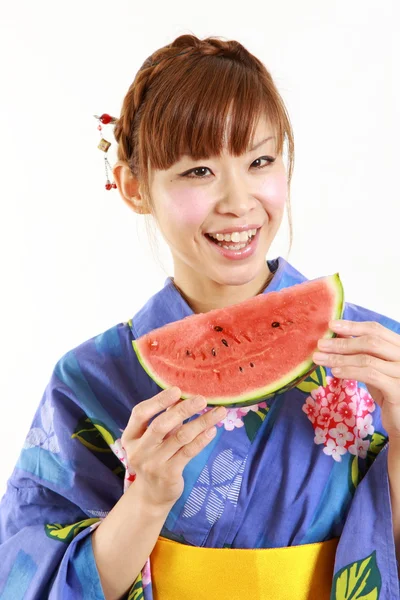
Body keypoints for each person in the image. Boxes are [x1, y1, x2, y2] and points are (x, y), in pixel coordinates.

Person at [0, 33, 399, 600]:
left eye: (260, 161)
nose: (238, 201)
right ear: (135, 186)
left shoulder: (378, 355)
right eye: (197, 172)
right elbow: (25, 580)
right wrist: (146, 502)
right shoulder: (89, 381)